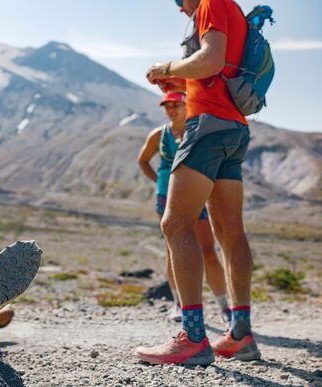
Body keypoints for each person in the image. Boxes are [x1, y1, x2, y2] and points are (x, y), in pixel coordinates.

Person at [136, 0, 261, 365]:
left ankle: (192, 338)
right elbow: (215, 70)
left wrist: (167, 66)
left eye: (177, 0)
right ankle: (241, 335)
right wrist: (180, 80)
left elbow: (211, 59)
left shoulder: (209, 2)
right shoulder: (230, 7)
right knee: (230, 232)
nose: (178, 7)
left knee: (175, 223)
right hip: (234, 127)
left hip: (207, 127)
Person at [138, 91, 231, 324]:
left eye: (175, 104)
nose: (171, 109)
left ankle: (224, 306)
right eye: (166, 105)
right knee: (173, 250)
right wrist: (160, 182)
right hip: (166, 198)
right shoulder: (158, 135)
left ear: (186, 105)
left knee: (208, 249)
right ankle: (179, 304)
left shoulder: (196, 131)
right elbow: (143, 160)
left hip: (196, 197)